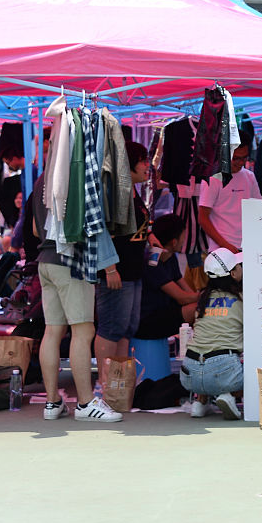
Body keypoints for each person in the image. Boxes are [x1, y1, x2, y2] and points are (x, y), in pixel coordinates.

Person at [30, 174, 121, 422]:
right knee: (83, 331)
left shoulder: (42, 179)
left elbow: (36, 227)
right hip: (70, 260)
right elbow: (92, 225)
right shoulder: (74, 173)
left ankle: (52, 402)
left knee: (52, 331)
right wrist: (109, 266)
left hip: (46, 260)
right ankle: (84, 402)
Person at [95, 142, 150, 390]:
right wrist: (109, 268)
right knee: (111, 327)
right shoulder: (115, 191)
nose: (147, 165)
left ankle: (119, 382)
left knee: (126, 327)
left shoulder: (133, 192)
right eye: (143, 160)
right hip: (116, 270)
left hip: (133, 268)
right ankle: (105, 383)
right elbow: (101, 231)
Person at [180, 248, 244, 419]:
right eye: (239, 266)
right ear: (232, 273)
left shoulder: (203, 297)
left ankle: (200, 403)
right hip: (223, 372)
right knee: (257, 370)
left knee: (207, 354)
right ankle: (228, 395)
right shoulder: (242, 298)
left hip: (189, 373)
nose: (241, 269)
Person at [135, 214, 199, 344]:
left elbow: (186, 291)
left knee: (203, 306)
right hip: (147, 322)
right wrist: (207, 296)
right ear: (173, 241)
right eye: (183, 237)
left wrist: (201, 297)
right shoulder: (152, 262)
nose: (184, 241)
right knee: (200, 309)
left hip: (164, 312)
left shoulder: (171, 257)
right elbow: (182, 297)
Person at [198, 141, 260, 252]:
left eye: (244, 158)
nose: (241, 162)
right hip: (221, 249)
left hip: (247, 246)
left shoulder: (250, 176)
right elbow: (203, 218)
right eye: (235, 158)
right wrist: (225, 245)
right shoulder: (213, 179)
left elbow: (258, 210)